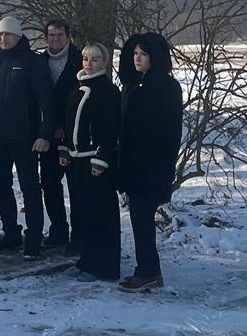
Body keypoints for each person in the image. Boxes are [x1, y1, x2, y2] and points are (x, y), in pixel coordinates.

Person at [0, 15, 54, 258]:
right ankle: (11, 234)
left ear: (18, 36)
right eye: (0, 35)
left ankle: (34, 239)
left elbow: (46, 101)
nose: (4, 39)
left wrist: (44, 134)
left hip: (25, 137)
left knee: (30, 188)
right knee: (2, 187)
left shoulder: (33, 62)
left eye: (9, 34)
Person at [116, 33, 184, 292]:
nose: (137, 59)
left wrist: (157, 165)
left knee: (143, 220)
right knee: (138, 220)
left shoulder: (166, 87)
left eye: (143, 54)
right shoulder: (134, 85)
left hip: (151, 166)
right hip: (133, 165)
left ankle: (147, 272)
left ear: (155, 58)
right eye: (134, 54)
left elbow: (168, 132)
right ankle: (149, 270)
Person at [59, 42, 121, 282]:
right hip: (77, 161)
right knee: (83, 213)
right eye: (85, 58)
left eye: (94, 59)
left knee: (101, 214)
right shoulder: (78, 88)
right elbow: (68, 122)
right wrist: (65, 148)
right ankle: (87, 260)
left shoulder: (107, 91)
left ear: (104, 63)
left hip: (95, 162)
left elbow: (110, 128)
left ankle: (104, 266)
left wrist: (102, 157)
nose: (88, 63)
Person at [38, 19, 82, 250]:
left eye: (60, 35)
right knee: (50, 185)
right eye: (51, 35)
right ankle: (58, 231)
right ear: (45, 38)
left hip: (75, 134)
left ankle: (79, 235)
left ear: (68, 36)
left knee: (76, 187)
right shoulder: (38, 62)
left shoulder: (80, 59)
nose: (55, 39)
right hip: (47, 136)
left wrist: (65, 125)